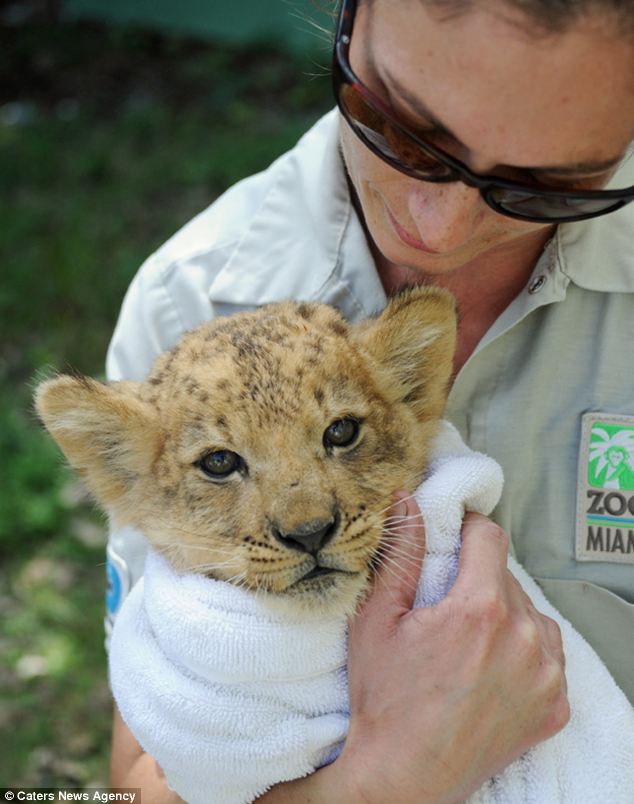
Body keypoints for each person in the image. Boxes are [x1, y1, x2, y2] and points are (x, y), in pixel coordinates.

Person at [106, 0, 634, 800]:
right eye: (400, 128)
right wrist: (392, 778)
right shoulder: (188, 304)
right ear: (348, 19)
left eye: (547, 185)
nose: (441, 229)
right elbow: (137, 781)